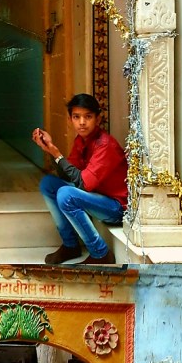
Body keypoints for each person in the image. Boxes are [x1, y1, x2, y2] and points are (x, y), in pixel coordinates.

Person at [33, 94, 128, 265]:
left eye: (88, 117)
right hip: (97, 197)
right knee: (48, 184)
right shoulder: (81, 140)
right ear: (70, 119)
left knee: (65, 194)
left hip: (115, 207)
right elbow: (68, 175)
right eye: (77, 117)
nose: (82, 122)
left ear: (98, 119)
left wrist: (57, 154)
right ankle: (70, 245)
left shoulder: (105, 145)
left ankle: (100, 254)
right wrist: (49, 150)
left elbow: (83, 183)